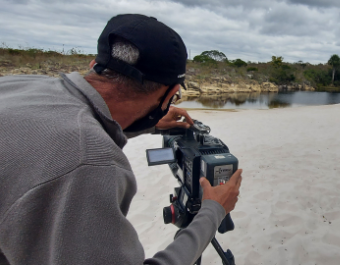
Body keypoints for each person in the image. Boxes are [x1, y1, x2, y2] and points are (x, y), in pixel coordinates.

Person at [0, 14, 242, 265]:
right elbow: (78, 150)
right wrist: (213, 210)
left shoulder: (22, 85)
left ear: (96, 64)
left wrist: (150, 124)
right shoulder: (89, 162)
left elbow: (61, 125)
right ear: (171, 93)